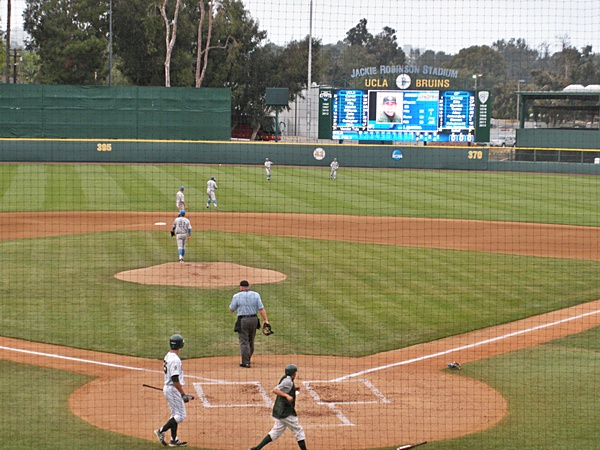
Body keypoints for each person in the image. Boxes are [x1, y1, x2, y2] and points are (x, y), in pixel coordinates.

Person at [248, 364, 308, 450]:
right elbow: (275, 390)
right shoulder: (288, 381)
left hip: (280, 410)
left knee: (276, 431)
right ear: (293, 374)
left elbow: (285, 388)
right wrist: (287, 396)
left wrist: (294, 389)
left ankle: (257, 449)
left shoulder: (286, 378)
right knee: (299, 431)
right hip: (285, 412)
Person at [154, 334, 194, 447]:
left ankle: (174, 440)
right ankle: (161, 431)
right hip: (172, 388)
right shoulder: (175, 360)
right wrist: (182, 394)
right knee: (180, 416)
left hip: (170, 388)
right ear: (180, 345)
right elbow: (175, 379)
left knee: (175, 415)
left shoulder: (168, 355)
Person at [229, 280, 269, 368]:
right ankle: (248, 358)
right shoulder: (256, 295)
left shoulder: (237, 296)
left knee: (244, 341)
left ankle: (245, 362)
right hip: (254, 319)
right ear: (248, 286)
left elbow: (232, 309)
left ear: (241, 287)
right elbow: (261, 309)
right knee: (251, 340)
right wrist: (265, 320)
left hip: (243, 320)